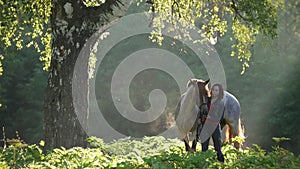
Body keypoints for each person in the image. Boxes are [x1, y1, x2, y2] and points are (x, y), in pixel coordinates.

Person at [198, 83, 225, 162]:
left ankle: (221, 164)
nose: (214, 91)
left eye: (216, 90)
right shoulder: (207, 100)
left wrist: (210, 117)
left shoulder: (221, 103)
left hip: (215, 127)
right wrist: (199, 118)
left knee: (218, 148)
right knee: (204, 148)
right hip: (205, 127)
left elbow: (220, 117)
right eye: (213, 89)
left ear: (220, 92)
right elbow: (201, 110)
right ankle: (203, 164)